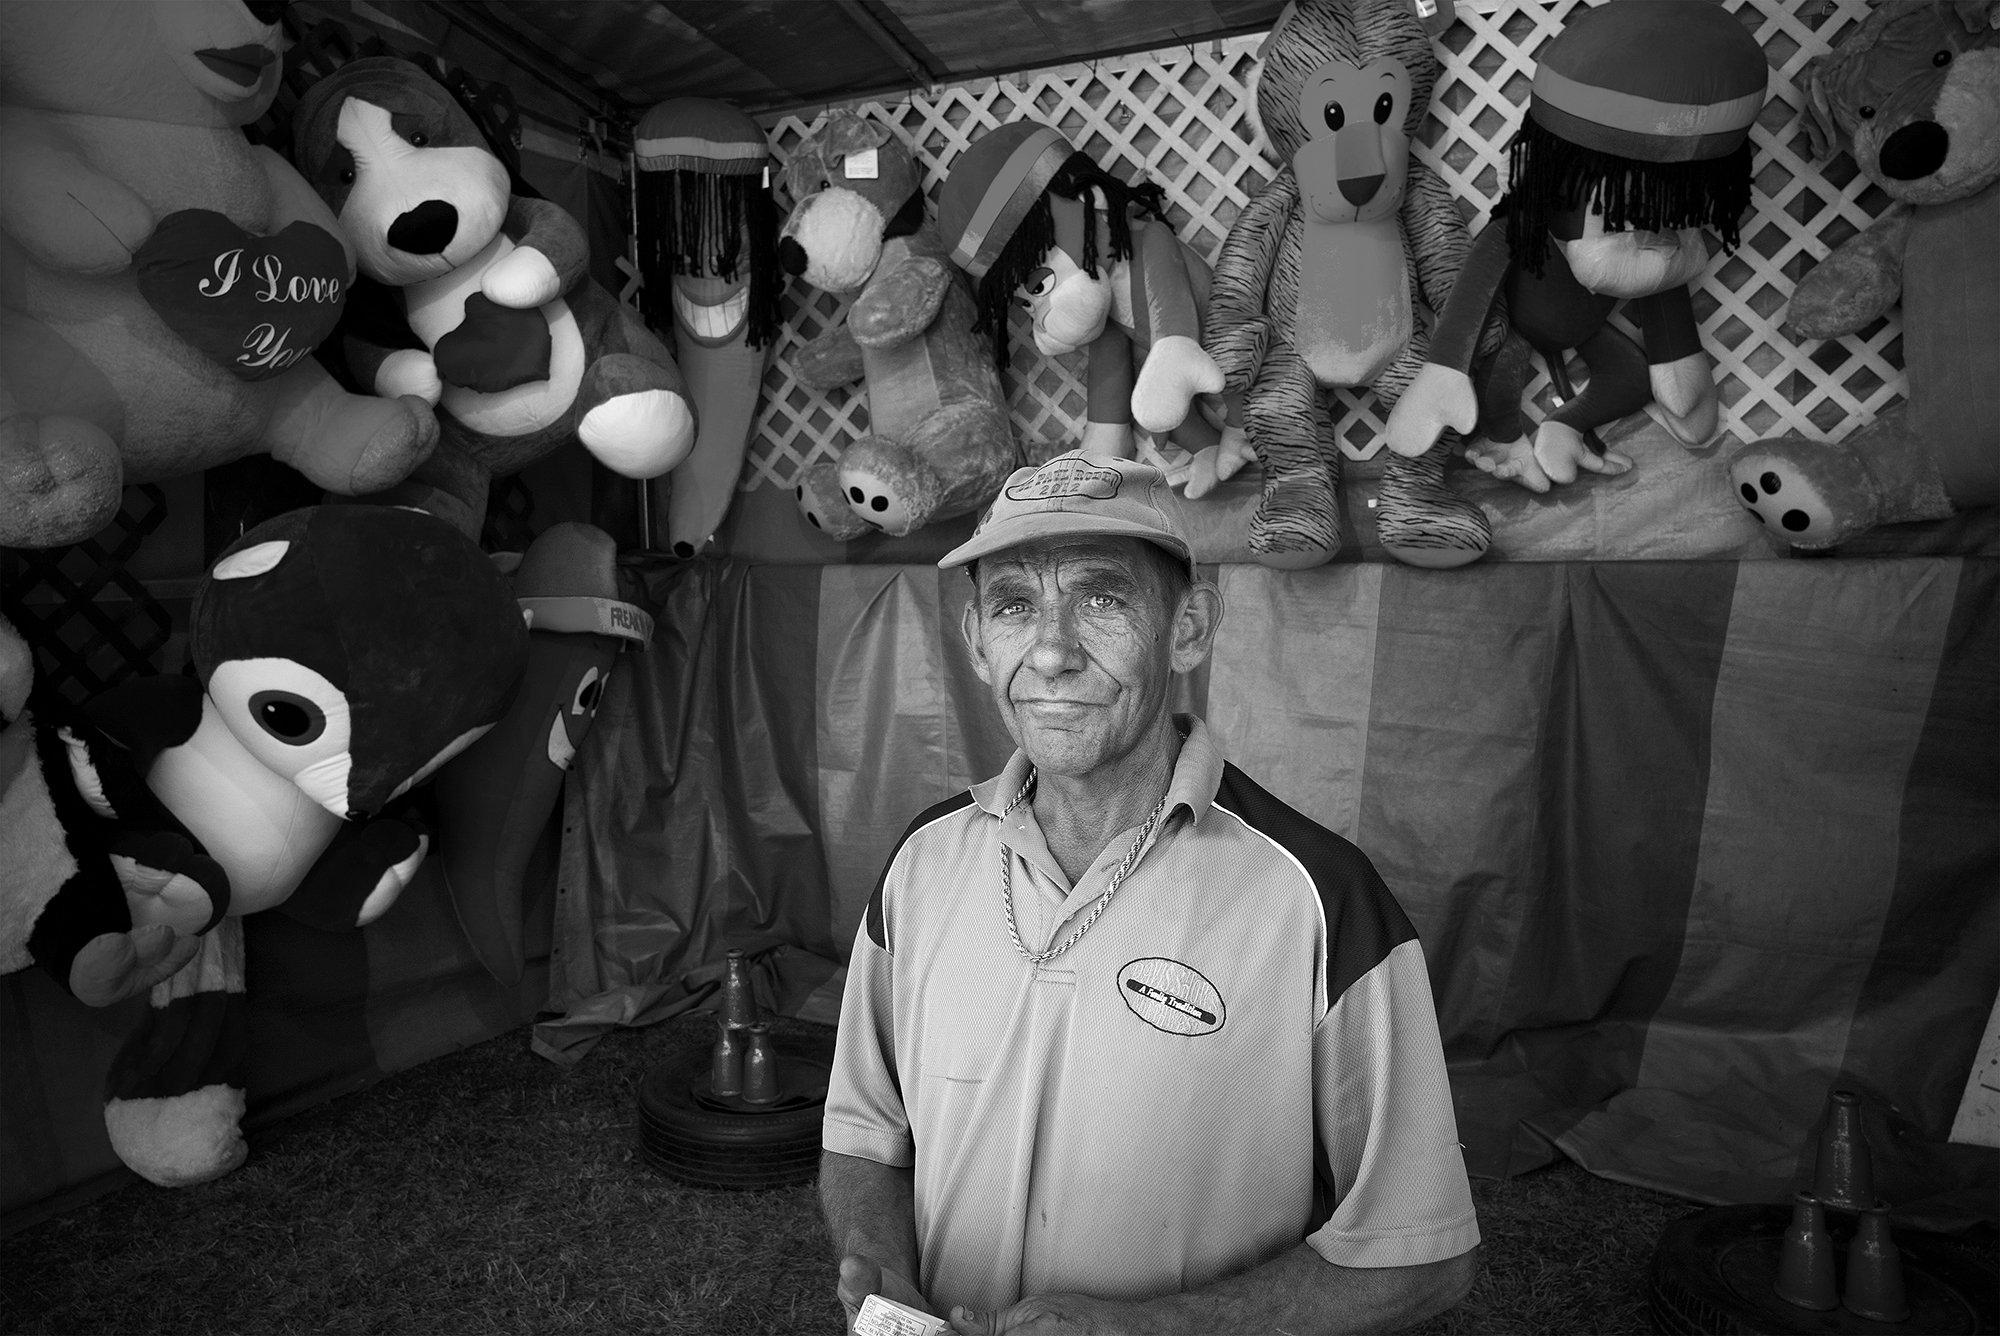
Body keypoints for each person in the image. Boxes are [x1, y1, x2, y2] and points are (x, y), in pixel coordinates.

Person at [820, 450, 1479, 1335]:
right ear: (977, 641)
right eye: (1016, 605)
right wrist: (880, 1257)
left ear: (1191, 627)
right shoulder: (922, 864)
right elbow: (864, 1134)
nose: (1051, 652)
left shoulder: (1321, 899)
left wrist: (1150, 1329)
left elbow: (1424, 1255)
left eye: (1101, 597)